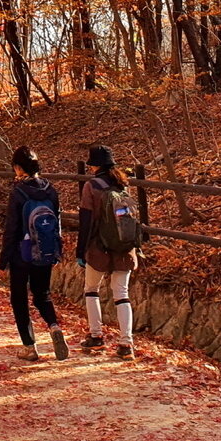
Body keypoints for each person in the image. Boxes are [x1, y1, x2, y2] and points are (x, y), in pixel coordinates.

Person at [0, 145, 69, 362]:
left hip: (22, 253)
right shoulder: (50, 190)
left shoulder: (18, 193)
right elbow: (57, 223)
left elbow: (11, 230)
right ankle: (54, 326)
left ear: (18, 168)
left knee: (19, 298)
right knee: (42, 294)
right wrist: (57, 249)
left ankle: (30, 346)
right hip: (45, 251)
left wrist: (3, 261)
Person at [77, 145, 141, 359]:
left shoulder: (91, 186)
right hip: (124, 247)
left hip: (99, 248)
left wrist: (80, 250)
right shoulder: (122, 185)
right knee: (121, 294)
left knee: (91, 289)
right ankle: (126, 344)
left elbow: (86, 221)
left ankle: (96, 336)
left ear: (95, 166)